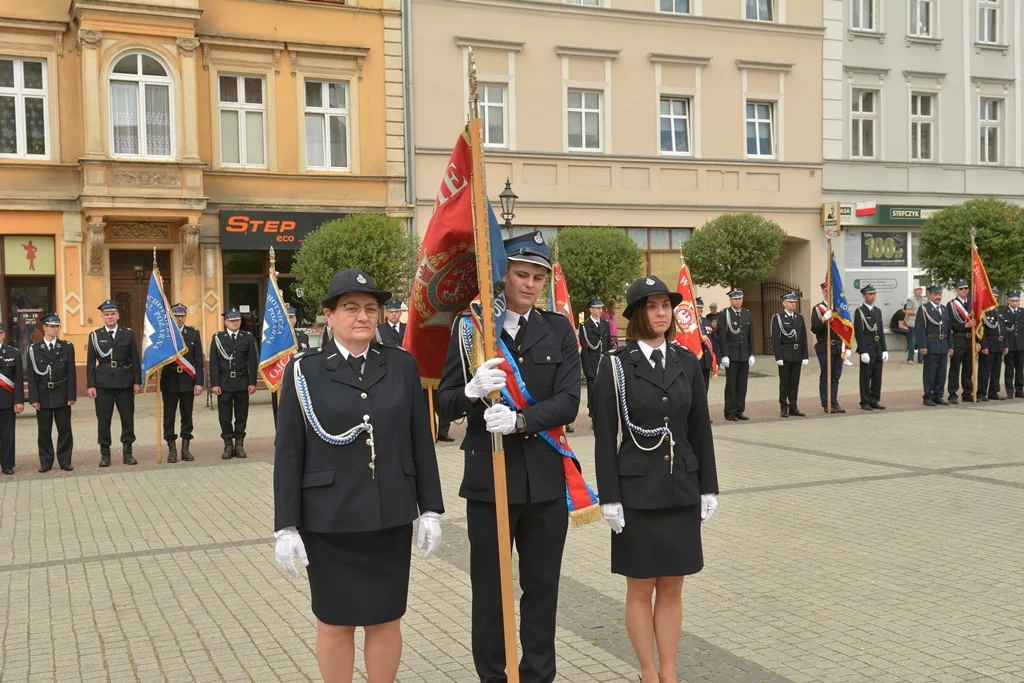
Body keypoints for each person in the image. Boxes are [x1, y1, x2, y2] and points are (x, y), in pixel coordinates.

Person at [274, 268, 444, 683]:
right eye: (350, 308)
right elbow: (290, 451)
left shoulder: (402, 365)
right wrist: (285, 527)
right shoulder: (303, 370)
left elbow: (419, 440)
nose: (363, 316)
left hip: (389, 513)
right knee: (335, 622)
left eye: (371, 308)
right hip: (328, 519)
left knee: (386, 618)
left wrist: (431, 509)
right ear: (328, 316)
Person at [436, 231, 582, 683]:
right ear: (503, 275)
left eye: (539, 277)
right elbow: (442, 403)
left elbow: (568, 401)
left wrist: (521, 421)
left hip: (543, 477)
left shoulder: (557, 329)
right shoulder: (472, 329)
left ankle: (538, 676)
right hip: (489, 477)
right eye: (521, 274)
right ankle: (493, 677)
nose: (530, 284)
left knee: (541, 588)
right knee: (491, 591)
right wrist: (469, 390)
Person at [592, 275, 718, 683]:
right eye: (651, 306)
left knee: (673, 587)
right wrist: (608, 496)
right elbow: (604, 434)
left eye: (665, 305)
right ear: (636, 314)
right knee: (640, 588)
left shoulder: (686, 360)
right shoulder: (615, 365)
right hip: (637, 492)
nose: (661, 313)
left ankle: (670, 671)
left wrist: (708, 486)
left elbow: (700, 427)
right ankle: (647, 672)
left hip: (681, 485)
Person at [86, 300, 142, 467]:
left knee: (127, 419)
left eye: (112, 314)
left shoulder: (128, 334)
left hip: (125, 382)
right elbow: (90, 363)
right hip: (103, 384)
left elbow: (135, 359)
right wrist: (91, 385)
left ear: (118, 315)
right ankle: (105, 455)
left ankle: (128, 453)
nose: (110, 317)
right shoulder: (95, 336)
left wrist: (137, 381)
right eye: (106, 314)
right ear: (102, 316)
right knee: (103, 420)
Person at [26, 314, 75, 472]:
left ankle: (65, 460)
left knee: (65, 429)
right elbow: (32, 377)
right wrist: (33, 398)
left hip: (62, 392)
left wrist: (71, 396)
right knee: (44, 430)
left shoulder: (67, 346)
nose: (55, 329)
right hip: (43, 393)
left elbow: (71, 373)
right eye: (52, 326)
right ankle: (46, 462)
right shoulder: (34, 349)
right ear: (44, 328)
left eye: (57, 326)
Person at [159, 304, 204, 463]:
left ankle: (185, 449)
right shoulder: (164, 335)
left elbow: (199, 360)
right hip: (169, 381)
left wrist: (199, 382)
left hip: (187, 381)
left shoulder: (193, 333)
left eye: (182, 315)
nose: (179, 318)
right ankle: (171, 449)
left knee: (187, 416)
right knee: (169, 416)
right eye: (176, 315)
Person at [209, 309, 258, 459]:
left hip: (242, 382)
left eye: (237, 320)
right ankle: (228, 445)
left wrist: (252, 382)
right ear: (225, 322)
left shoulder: (247, 337)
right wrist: (215, 383)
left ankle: (239, 444)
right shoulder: (218, 338)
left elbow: (252, 361)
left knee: (241, 415)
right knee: (225, 415)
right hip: (224, 382)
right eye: (231, 320)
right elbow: (214, 362)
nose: (235, 322)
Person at [714, 289, 754, 421]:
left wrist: (752, 354)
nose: (738, 301)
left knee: (742, 384)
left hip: (744, 354)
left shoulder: (747, 314)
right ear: (730, 299)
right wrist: (724, 355)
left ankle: (739, 410)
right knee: (731, 385)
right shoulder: (725, 314)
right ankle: (729, 411)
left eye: (740, 299)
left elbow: (751, 335)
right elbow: (722, 336)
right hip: (731, 355)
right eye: (736, 299)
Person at [771, 292, 808, 417]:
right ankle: (783, 406)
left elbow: (803, 337)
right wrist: (778, 357)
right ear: (784, 303)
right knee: (785, 382)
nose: (793, 304)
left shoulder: (799, 317)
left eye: (795, 302)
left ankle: (793, 406)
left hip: (797, 354)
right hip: (785, 354)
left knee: (795, 382)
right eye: (791, 302)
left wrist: (805, 355)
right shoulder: (778, 318)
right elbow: (776, 339)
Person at [811, 282, 846, 414]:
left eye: (829, 290)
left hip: (837, 347)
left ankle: (834, 402)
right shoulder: (817, 309)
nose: (827, 293)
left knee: (836, 376)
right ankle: (826, 403)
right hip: (824, 347)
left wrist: (846, 346)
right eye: (825, 290)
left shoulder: (839, 309)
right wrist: (823, 319)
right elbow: (814, 329)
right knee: (826, 376)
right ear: (822, 292)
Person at [916, 284, 953, 406]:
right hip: (931, 345)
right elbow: (920, 329)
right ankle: (928, 396)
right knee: (930, 372)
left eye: (939, 294)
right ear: (930, 295)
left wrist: (951, 346)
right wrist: (922, 346)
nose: (938, 296)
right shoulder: (924, 309)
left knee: (941, 373)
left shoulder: (944, 309)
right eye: (935, 294)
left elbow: (949, 330)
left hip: (943, 345)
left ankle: (938, 395)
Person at [854, 284, 888, 410]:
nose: (872, 296)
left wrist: (884, 349)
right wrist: (863, 351)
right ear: (864, 296)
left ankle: (874, 399)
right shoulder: (860, 312)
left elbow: (880, 331)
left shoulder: (877, 311)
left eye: (874, 294)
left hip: (878, 347)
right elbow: (859, 332)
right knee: (865, 376)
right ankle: (865, 401)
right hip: (868, 348)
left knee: (877, 376)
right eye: (869, 294)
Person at [579, 296, 613, 419]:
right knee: (593, 390)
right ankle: (593, 413)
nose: (600, 311)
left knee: (605, 388)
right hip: (592, 362)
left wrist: (610, 361)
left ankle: (604, 412)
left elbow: (608, 344)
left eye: (601, 308)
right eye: (597, 308)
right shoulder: (584, 326)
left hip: (603, 361)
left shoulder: (605, 324)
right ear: (591, 309)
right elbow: (584, 349)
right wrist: (587, 368)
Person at [0, 322, 25, 475]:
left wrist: (19, 401)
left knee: (8, 434)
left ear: (3, 334)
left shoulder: (13, 353)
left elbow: (19, 380)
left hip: (7, 400)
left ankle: (7, 464)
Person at [946, 280, 975, 403]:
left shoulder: (972, 304)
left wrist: (977, 341)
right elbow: (950, 324)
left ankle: (967, 393)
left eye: (966, 288)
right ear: (956, 290)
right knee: (955, 368)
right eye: (961, 288)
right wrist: (965, 325)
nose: (964, 290)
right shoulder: (952, 305)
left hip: (970, 340)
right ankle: (952, 394)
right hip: (958, 339)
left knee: (968, 369)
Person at [978, 289, 1007, 401]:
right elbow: (981, 330)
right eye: (992, 296)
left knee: (996, 371)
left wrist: (1005, 345)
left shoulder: (999, 310)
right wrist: (984, 345)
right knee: (985, 371)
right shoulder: (983, 312)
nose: (994, 298)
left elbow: (1004, 330)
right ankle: (981, 393)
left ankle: (993, 392)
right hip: (989, 345)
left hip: (999, 344)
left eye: (996, 297)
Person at [1002, 291, 1024, 398]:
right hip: (1009, 345)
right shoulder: (1003, 312)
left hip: (1021, 345)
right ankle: (1009, 391)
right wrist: (1005, 345)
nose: (1014, 303)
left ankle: (1019, 390)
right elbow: (1003, 331)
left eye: (1016, 301)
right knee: (1009, 369)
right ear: (1008, 301)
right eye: (1012, 301)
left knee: (1020, 369)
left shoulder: (1022, 312)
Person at [695, 298, 716, 390]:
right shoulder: (689, 323)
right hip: (696, 359)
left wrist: (715, 359)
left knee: (705, 384)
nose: (701, 310)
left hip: (706, 359)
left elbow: (712, 340)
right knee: (696, 385)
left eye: (701, 307)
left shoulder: (706, 321)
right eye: (698, 307)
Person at [905, 286, 926, 363]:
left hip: (922, 324)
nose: (919, 291)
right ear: (914, 291)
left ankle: (921, 359)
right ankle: (910, 358)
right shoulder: (911, 300)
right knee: (912, 342)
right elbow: (907, 311)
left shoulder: (924, 300)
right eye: (918, 290)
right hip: (913, 324)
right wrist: (918, 312)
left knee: (921, 341)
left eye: (921, 290)